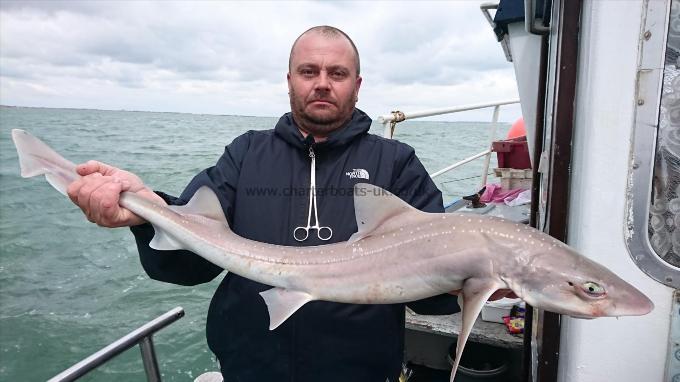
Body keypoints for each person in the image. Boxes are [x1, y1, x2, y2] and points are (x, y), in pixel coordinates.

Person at [67, 26, 460, 382]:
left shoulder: (396, 163)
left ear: (357, 85)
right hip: (250, 369)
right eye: (309, 71)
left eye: (337, 74)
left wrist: (471, 277)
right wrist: (146, 214)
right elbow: (191, 263)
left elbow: (428, 293)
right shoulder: (245, 155)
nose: (322, 84)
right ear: (289, 80)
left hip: (360, 372)